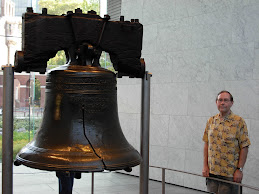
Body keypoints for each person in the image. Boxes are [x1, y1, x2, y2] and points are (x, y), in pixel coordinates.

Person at [202, 90, 251, 194]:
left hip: (230, 175)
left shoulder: (239, 122)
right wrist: (205, 166)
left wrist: (239, 169)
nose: (222, 103)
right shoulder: (211, 121)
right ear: (216, 102)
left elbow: (244, 147)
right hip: (212, 173)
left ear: (231, 103)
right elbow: (206, 144)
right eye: (220, 100)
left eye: (225, 100)